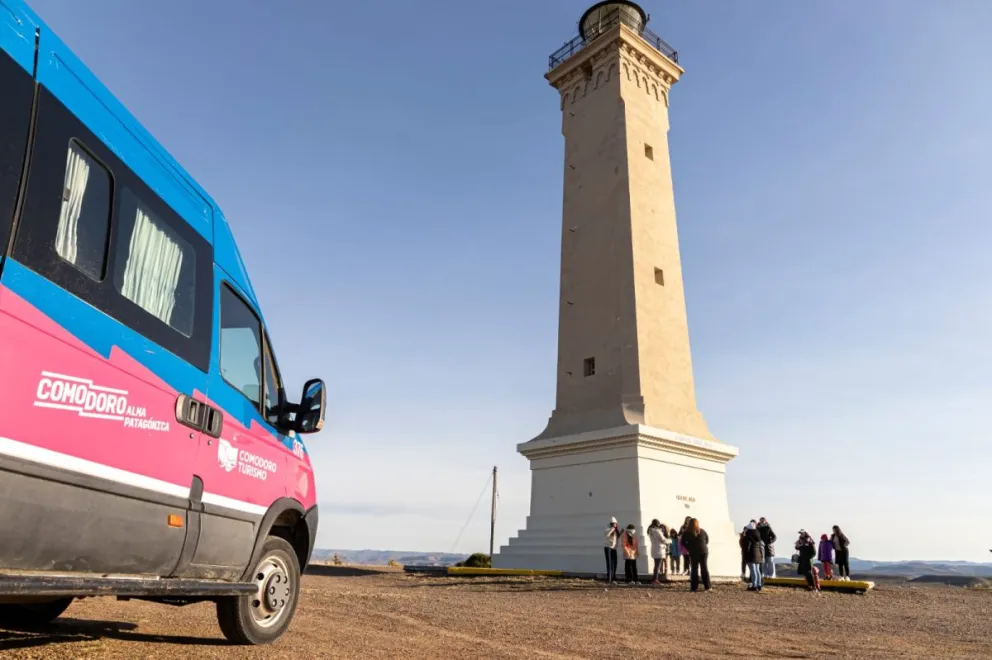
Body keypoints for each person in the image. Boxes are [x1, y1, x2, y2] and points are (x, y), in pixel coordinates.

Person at [681, 518, 711, 592]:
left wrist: (689, 548)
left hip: (693, 552)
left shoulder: (686, 532)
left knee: (694, 570)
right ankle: (708, 587)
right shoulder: (702, 531)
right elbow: (707, 540)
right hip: (704, 551)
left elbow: (682, 542)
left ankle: (694, 587)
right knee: (704, 569)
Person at [744, 521, 764, 592]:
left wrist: (744, 534)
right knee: (757, 570)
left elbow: (747, 546)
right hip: (758, 554)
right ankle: (759, 585)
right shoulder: (757, 535)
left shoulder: (749, 535)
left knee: (753, 571)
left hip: (751, 555)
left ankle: (754, 585)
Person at [647, 520, 669, 584]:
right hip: (660, 549)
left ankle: (654, 578)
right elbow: (663, 539)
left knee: (656, 565)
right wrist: (669, 541)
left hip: (654, 549)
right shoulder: (657, 531)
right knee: (658, 566)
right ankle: (655, 579)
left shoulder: (650, 531)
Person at [604, 517, 620, 584]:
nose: (615, 525)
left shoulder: (616, 531)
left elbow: (616, 539)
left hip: (614, 548)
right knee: (609, 564)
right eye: (614, 524)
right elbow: (607, 535)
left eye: (616, 524)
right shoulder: (608, 529)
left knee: (614, 563)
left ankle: (613, 577)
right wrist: (612, 529)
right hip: (608, 548)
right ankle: (609, 578)